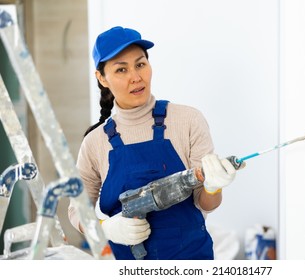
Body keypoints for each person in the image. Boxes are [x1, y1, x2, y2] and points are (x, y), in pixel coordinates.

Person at [68, 26, 237, 260]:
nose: (135, 77)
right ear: (102, 78)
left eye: (140, 64)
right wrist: (105, 228)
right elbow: (77, 209)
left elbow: (206, 203)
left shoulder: (188, 120)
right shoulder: (95, 142)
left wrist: (213, 186)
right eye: (121, 70)